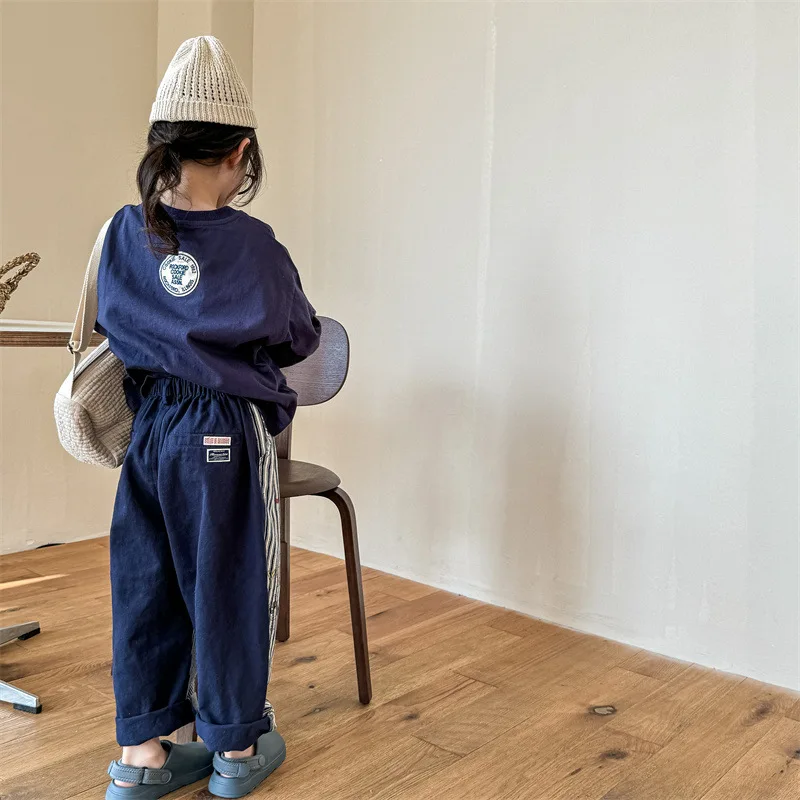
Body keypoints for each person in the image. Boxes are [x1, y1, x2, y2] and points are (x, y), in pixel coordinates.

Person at [97, 36, 321, 800]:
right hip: (223, 432)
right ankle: (234, 747)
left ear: (161, 147)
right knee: (229, 581)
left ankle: (141, 754)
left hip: (150, 432)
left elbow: (110, 322)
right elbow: (299, 336)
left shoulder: (123, 231)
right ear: (240, 153)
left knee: (144, 581)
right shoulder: (255, 246)